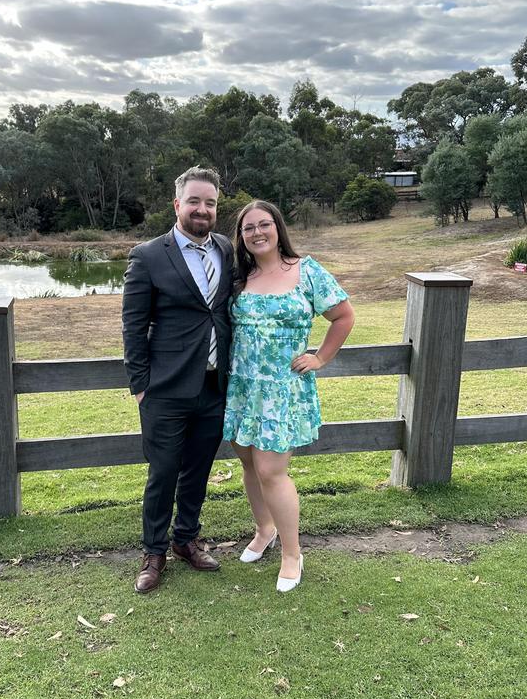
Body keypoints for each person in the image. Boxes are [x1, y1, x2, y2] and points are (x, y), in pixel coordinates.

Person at [223, 200, 355, 593]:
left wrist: (321, 357)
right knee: (248, 463)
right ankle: (264, 531)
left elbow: (343, 316)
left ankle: (292, 552)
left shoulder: (306, 271)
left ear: (278, 228)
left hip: (282, 390)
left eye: (264, 224)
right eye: (249, 228)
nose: (257, 232)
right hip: (243, 387)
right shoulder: (237, 278)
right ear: (241, 237)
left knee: (271, 471)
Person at [122, 166, 234, 594]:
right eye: (194, 201)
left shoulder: (226, 248)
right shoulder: (148, 255)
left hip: (213, 387)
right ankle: (153, 552)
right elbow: (133, 325)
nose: (202, 209)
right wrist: (140, 384)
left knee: (199, 469)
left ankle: (186, 539)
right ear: (177, 205)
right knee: (163, 470)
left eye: (210, 202)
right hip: (165, 389)